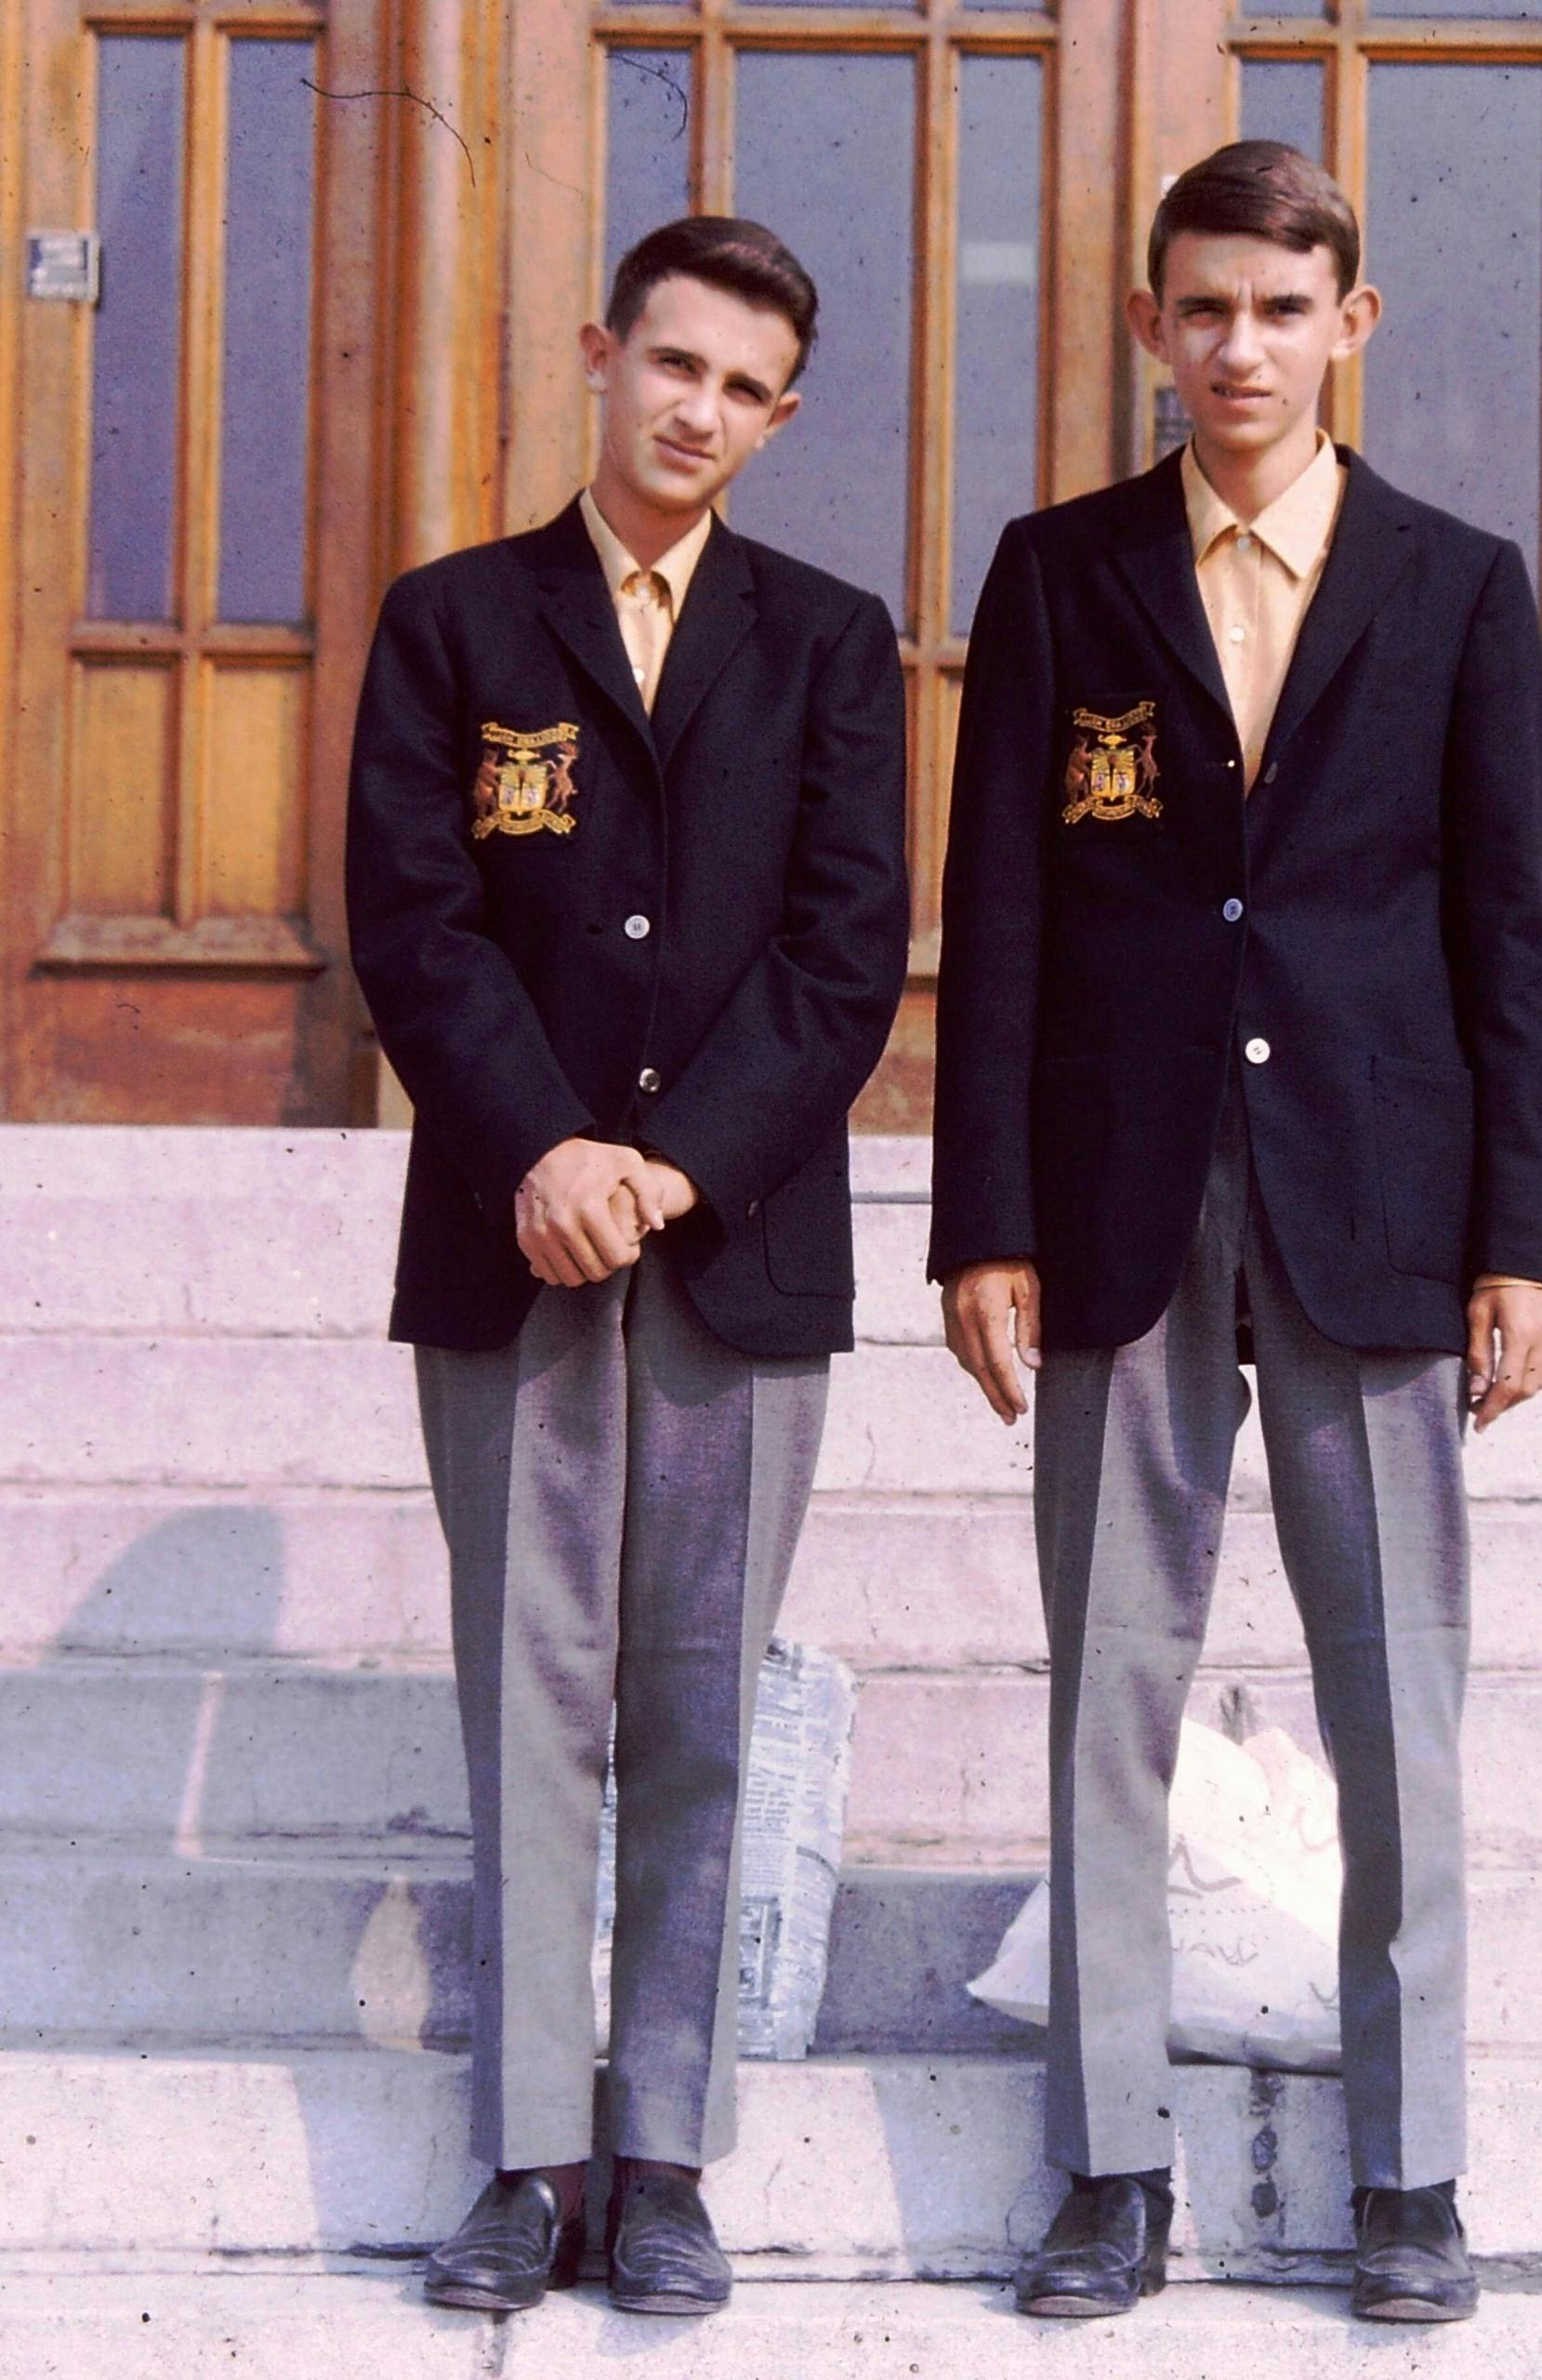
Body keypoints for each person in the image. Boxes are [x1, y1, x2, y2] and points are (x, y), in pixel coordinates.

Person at [930, 140, 1542, 2326]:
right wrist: (982, 1217)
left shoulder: (1455, 583)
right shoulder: (1061, 572)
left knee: (1397, 1702)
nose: (1239, 349)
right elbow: (1000, 916)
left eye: (1281, 310)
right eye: (1201, 308)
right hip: (1116, 1192)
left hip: (1374, 1197)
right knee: (1111, 1682)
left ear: (1349, 325)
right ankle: (1108, 2162)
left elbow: (1509, 937)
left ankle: (1411, 2173)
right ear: (1149, 323)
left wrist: (1520, 1237)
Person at [346, 214, 908, 2320]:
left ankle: (662, 2153)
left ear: (781, 415)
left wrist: (668, 1169)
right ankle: (526, 2155)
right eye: (671, 363)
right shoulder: (455, 621)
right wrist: (546, 1145)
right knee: (529, 1700)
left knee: (696, 1708)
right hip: (510, 1240)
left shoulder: (826, 641)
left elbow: (844, 952)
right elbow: (414, 922)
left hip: (731, 1252)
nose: (698, 411)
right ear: (602, 354)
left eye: (743, 388)